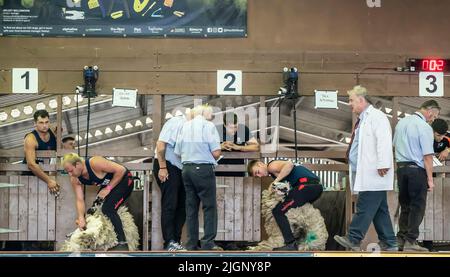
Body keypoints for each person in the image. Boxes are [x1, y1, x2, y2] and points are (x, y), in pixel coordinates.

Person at [333, 85, 397, 251]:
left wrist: (384, 163)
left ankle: (354, 238)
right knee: (380, 211)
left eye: (351, 100)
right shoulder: (364, 119)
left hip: (374, 172)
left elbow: (383, 140)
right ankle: (390, 242)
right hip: (366, 172)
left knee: (364, 206)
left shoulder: (377, 117)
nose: (349, 104)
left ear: (361, 100)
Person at [393, 100, 440, 252]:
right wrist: (430, 180)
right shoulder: (424, 127)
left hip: (401, 169)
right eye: (435, 115)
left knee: (405, 206)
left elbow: (394, 146)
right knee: (417, 206)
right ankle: (411, 241)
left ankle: (401, 239)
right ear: (430, 111)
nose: (434, 119)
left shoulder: (401, 123)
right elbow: (427, 157)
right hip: (416, 171)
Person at [62, 153, 134, 251]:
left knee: (108, 209)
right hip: (110, 184)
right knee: (93, 211)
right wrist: (81, 218)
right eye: (68, 172)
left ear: (78, 164)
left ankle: (123, 243)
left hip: (124, 179)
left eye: (71, 171)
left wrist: (108, 188)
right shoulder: (75, 178)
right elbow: (79, 199)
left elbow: (121, 170)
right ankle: (97, 241)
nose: (70, 174)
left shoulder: (95, 163)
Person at [174, 105, 222, 250]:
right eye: (211, 113)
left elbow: (177, 151)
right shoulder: (209, 126)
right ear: (205, 113)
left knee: (191, 208)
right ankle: (207, 244)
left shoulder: (185, 126)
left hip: (186, 169)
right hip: (203, 169)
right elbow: (216, 153)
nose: (212, 115)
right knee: (209, 207)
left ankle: (191, 244)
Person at [248, 159, 323, 251]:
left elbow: (289, 165)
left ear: (260, 164)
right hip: (314, 187)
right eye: (257, 176)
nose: (259, 176)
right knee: (292, 209)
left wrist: (276, 181)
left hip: (306, 186)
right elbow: (287, 186)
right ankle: (299, 239)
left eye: (258, 172)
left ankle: (290, 243)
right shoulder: (275, 173)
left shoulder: (271, 166)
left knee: (278, 211)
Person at [153, 111, 186, 251]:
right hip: (167, 164)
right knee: (170, 203)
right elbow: (161, 145)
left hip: (181, 167)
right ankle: (169, 241)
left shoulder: (195, 128)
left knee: (183, 206)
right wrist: (162, 167)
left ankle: (176, 241)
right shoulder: (176, 122)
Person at [23, 109, 59, 194]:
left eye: (47, 122)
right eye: (41, 123)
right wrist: (49, 180)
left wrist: (58, 135)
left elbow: (61, 150)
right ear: (35, 123)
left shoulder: (53, 132)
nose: (45, 125)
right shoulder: (30, 138)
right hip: (29, 179)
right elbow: (31, 164)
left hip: (47, 175)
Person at [216, 112, 259, 177]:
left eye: (235, 127)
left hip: (238, 170)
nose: (234, 130)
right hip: (218, 170)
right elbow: (205, 148)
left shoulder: (243, 129)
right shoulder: (216, 130)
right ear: (224, 125)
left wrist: (239, 147)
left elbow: (256, 146)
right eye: (230, 128)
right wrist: (220, 146)